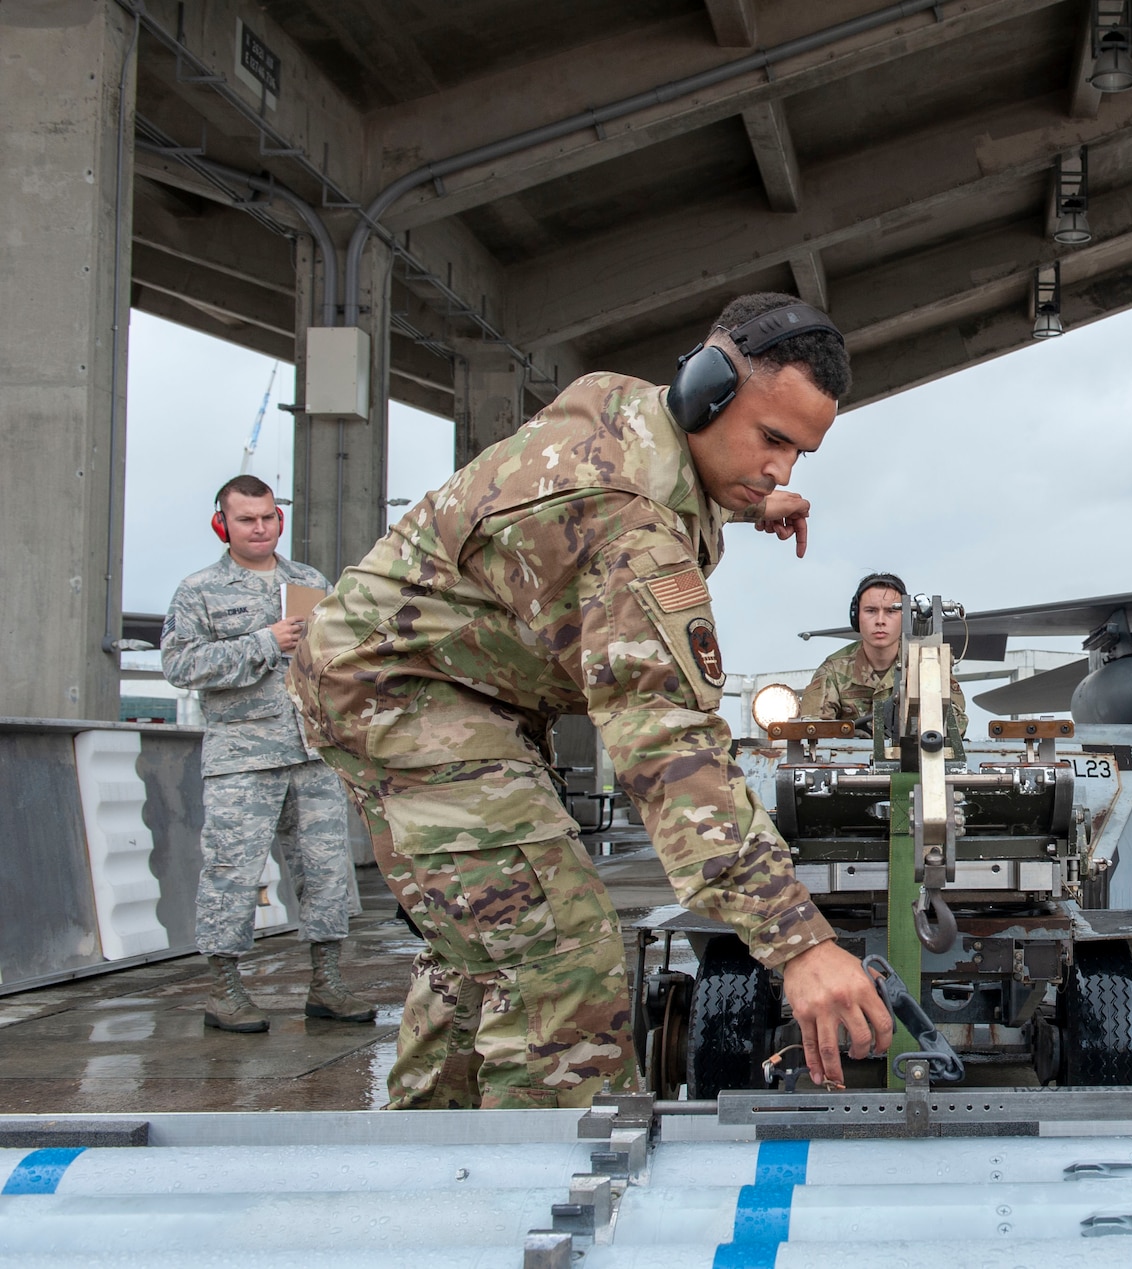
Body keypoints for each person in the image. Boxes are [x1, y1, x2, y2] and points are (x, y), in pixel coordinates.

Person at [288, 293, 892, 1109]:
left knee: (491, 939)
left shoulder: (629, 410)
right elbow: (667, 749)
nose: (781, 470)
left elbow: (651, 484)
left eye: (799, 456)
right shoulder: (626, 527)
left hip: (441, 679)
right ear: (705, 392)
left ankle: (432, 1157)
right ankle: (549, 1197)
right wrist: (797, 941)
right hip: (403, 693)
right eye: (772, 440)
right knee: (561, 961)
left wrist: (747, 499)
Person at [161, 475, 376, 1033]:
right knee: (233, 874)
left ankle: (327, 982)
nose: (259, 528)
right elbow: (180, 666)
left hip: (311, 751)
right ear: (222, 525)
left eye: (267, 517)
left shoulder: (308, 581)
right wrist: (262, 643)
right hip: (243, 757)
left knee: (328, 872)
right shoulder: (199, 590)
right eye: (246, 519)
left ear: (279, 520)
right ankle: (225, 989)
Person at [799, 573, 968, 734]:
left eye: (890, 611)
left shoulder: (926, 662)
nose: (880, 621)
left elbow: (956, 725)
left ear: (905, 618)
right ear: (856, 617)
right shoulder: (834, 670)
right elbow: (813, 730)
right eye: (871, 611)